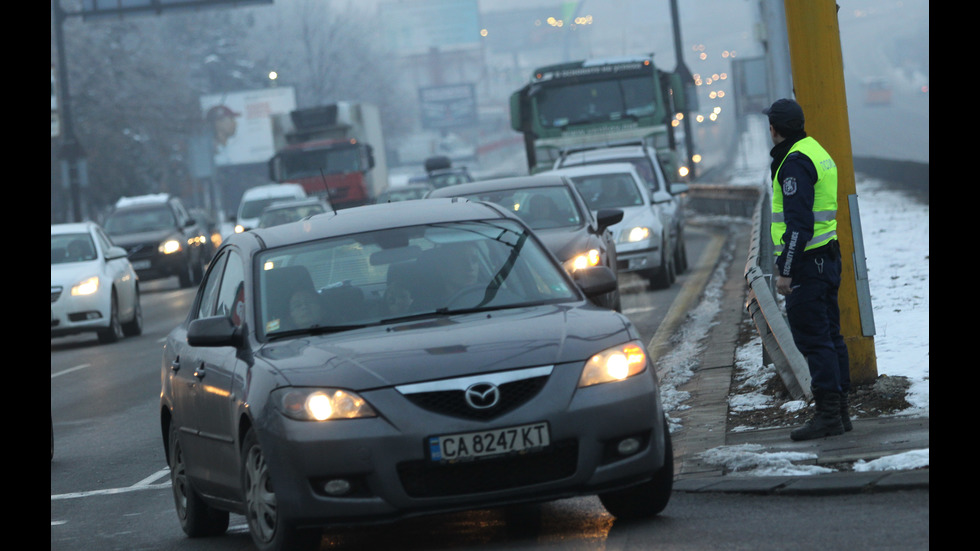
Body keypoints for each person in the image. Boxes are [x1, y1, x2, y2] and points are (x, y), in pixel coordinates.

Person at [764, 98, 850, 441]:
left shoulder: (794, 163)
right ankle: (841, 413)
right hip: (827, 258)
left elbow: (799, 226)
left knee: (815, 341)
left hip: (808, 264)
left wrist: (785, 269)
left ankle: (829, 415)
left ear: (775, 130)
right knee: (831, 337)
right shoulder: (815, 150)